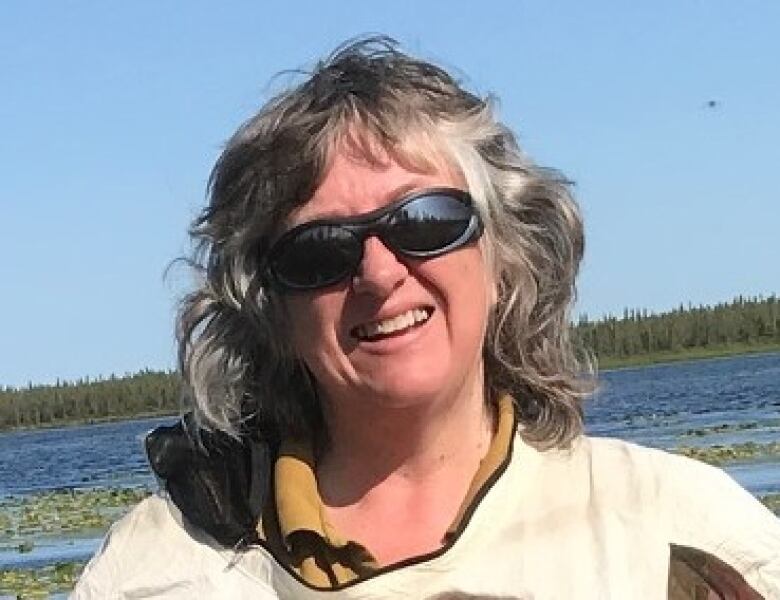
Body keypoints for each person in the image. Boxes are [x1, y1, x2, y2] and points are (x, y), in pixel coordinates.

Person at [72, 37, 780, 599]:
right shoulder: (157, 570)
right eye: (320, 250)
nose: (379, 273)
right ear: (270, 313)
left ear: (506, 255)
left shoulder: (676, 531)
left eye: (425, 221)